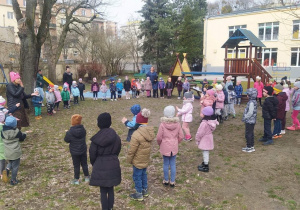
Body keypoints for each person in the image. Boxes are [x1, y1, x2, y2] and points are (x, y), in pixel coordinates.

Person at [89, 113, 121, 210]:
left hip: (100, 164)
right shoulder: (116, 137)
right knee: (110, 189)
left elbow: (92, 154)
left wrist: (95, 163)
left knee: (103, 190)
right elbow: (118, 150)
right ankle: (110, 208)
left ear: (99, 123)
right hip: (113, 163)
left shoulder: (96, 139)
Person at [127, 108, 154, 201]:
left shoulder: (136, 134)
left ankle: (139, 193)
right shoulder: (150, 132)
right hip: (145, 159)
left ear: (138, 121)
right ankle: (144, 190)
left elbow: (132, 150)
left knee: (137, 176)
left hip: (137, 160)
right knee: (144, 174)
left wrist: (129, 159)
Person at [156, 106, 183, 187]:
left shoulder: (162, 124)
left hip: (165, 146)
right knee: (173, 164)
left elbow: (159, 137)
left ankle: (166, 180)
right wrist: (176, 142)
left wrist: (160, 144)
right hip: (174, 146)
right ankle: (172, 181)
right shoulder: (177, 124)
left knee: (165, 164)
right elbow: (181, 136)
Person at [64, 114, 89, 185]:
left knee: (76, 165)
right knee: (84, 163)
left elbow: (66, 140)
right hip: (83, 149)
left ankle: (76, 179)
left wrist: (67, 133)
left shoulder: (69, 132)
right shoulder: (83, 130)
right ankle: (87, 177)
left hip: (74, 152)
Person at [1, 116, 27, 185]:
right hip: (15, 152)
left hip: (7, 152)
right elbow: (22, 138)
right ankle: (13, 180)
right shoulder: (17, 132)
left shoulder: (2, 132)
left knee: (11, 161)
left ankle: (6, 170)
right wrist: (25, 135)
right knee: (15, 166)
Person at [195, 106, 219, 172]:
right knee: (206, 151)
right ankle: (204, 163)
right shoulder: (212, 121)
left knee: (205, 151)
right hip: (209, 137)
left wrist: (197, 139)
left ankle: (206, 166)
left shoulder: (204, 123)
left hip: (204, 139)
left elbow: (200, 133)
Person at [242, 88, 258, 152]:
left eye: (248, 95)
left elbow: (250, 112)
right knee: (250, 133)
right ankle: (251, 146)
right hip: (252, 120)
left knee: (248, 134)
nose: (247, 96)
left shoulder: (251, 102)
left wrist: (245, 117)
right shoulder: (254, 101)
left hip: (249, 120)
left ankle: (249, 146)